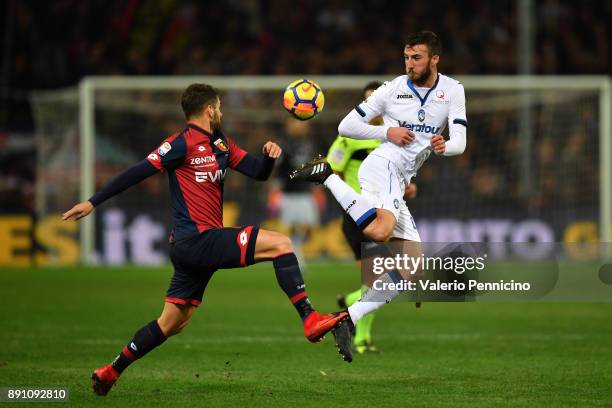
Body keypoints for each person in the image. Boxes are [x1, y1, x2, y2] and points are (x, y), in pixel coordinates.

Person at [62, 84, 352, 396]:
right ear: (210, 110)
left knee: (171, 323)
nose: (222, 113)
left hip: (193, 249)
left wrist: (269, 158)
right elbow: (136, 172)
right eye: (220, 108)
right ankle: (309, 318)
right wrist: (93, 202)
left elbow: (257, 172)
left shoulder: (221, 143)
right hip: (197, 240)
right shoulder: (179, 144)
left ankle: (110, 371)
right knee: (281, 244)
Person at [291, 31, 467, 355]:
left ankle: (348, 318)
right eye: (406, 57)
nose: (410, 64)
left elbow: (460, 140)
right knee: (381, 230)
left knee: (412, 268)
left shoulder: (453, 90)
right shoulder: (391, 89)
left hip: (399, 178)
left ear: (434, 59)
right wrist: (388, 130)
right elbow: (346, 126)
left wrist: (446, 146)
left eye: (416, 57)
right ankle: (327, 176)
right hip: (382, 165)